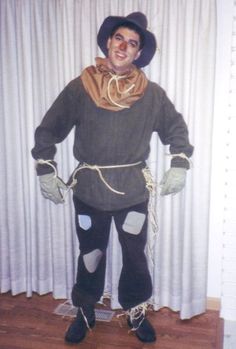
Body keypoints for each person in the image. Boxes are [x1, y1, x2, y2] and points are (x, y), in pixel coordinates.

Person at [31, 12, 193, 344]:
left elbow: (175, 129)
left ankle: (135, 310)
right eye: (119, 38)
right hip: (89, 191)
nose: (124, 46)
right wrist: (46, 168)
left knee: (135, 257)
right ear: (108, 41)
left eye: (132, 43)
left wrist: (179, 161)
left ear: (138, 54)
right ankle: (86, 309)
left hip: (132, 191)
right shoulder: (80, 88)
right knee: (90, 253)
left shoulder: (151, 94)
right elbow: (49, 129)